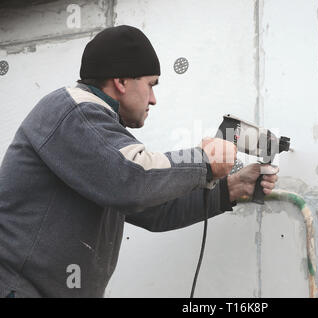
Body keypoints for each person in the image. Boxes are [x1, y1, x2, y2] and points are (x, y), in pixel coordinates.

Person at [0, 25, 278, 298]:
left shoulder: (101, 135)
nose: (154, 99)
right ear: (121, 82)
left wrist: (230, 188)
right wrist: (204, 159)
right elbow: (133, 178)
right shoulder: (73, 110)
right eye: (150, 85)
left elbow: (154, 208)